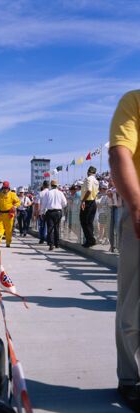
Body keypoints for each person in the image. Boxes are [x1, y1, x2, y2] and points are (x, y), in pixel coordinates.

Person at [109, 89, 140, 410]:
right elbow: (120, 154)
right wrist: (136, 207)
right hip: (139, 218)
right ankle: (130, 378)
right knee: (133, 308)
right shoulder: (134, 102)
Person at [38, 179, 67, 251]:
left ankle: (51, 244)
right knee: (57, 227)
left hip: (50, 212)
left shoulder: (48, 193)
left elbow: (44, 204)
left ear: (51, 185)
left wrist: (41, 212)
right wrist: (60, 207)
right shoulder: (60, 193)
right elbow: (65, 203)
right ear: (57, 185)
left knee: (50, 228)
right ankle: (57, 243)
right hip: (58, 211)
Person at [0, 181, 20, 247]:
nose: (5, 189)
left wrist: (15, 206)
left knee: (9, 230)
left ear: (8, 188)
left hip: (9, 214)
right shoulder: (0, 195)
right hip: (0, 214)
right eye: (4, 188)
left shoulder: (12, 194)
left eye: (6, 188)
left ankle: (8, 243)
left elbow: (18, 202)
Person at [81, 166, 100, 248]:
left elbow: (89, 190)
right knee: (89, 222)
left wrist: (83, 200)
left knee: (84, 221)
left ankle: (90, 240)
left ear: (88, 171)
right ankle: (90, 240)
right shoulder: (96, 181)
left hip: (88, 202)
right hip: (93, 202)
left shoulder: (89, 179)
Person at [110, 180, 122, 252]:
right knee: (112, 229)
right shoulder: (112, 189)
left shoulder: (119, 188)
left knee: (118, 228)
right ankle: (113, 246)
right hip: (113, 208)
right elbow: (109, 196)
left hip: (118, 208)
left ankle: (119, 247)